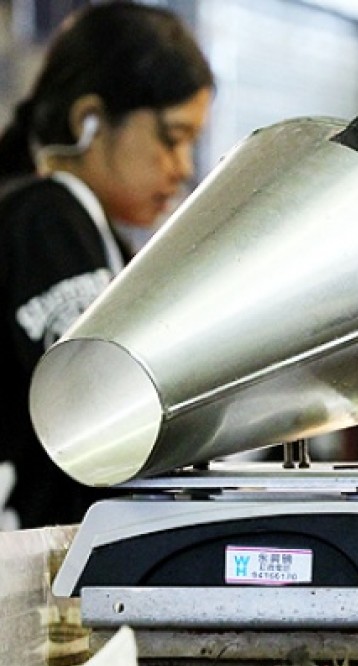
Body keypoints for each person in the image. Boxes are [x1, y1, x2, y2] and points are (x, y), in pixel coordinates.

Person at [0, 1, 214, 529]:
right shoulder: (46, 214)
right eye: (171, 137)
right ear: (89, 120)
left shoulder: (89, 228)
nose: (183, 167)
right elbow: (104, 398)